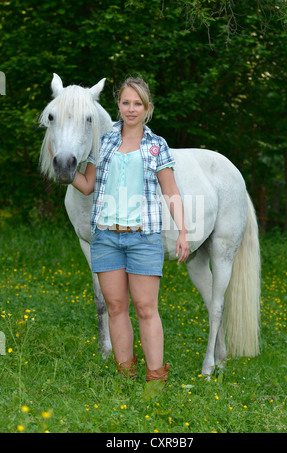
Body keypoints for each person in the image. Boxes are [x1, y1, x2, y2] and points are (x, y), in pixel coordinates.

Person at [71, 77, 189, 382]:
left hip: (143, 237)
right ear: (118, 105)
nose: (131, 109)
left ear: (147, 108)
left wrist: (184, 231)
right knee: (115, 307)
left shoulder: (156, 145)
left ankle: (155, 380)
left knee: (146, 309)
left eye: (137, 103)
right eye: (125, 102)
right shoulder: (104, 141)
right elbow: (87, 186)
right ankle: (125, 378)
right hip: (106, 238)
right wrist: (64, 169)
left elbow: (171, 192)